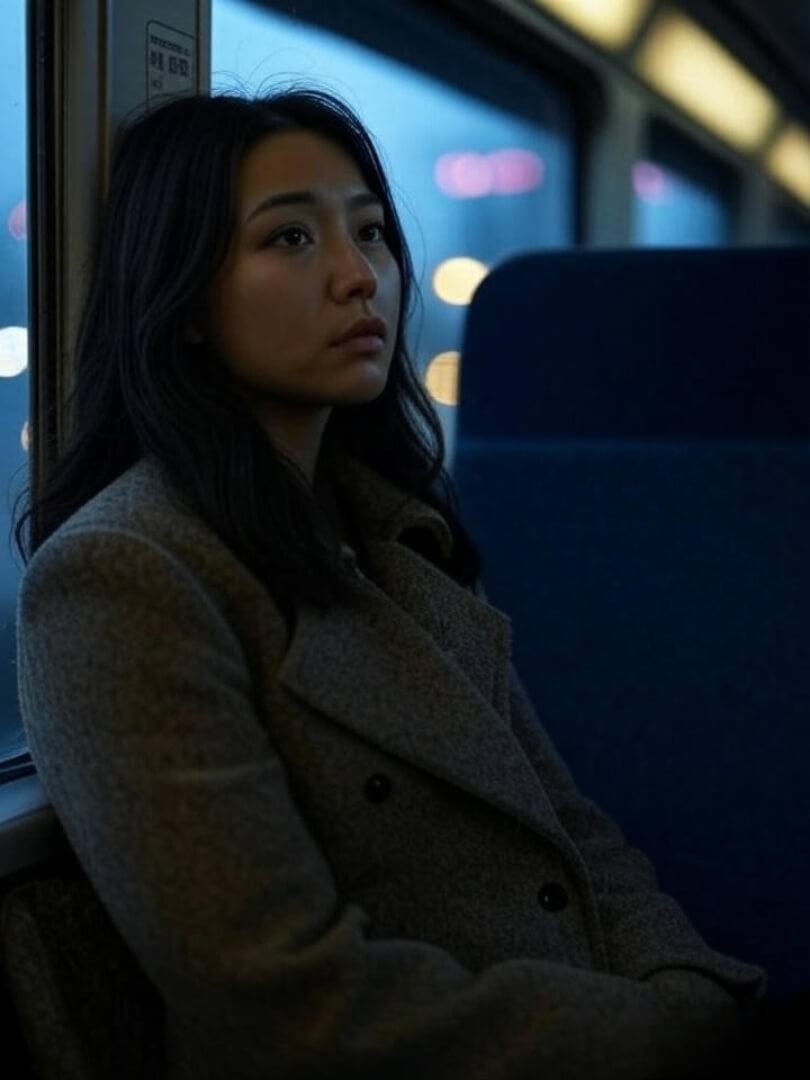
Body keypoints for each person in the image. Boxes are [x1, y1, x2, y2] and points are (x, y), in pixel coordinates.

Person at [13, 87, 768, 1079]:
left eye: (370, 233)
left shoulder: (392, 533)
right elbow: (284, 1003)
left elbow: (573, 833)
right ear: (184, 296)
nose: (358, 276)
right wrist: (655, 1036)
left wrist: (687, 988)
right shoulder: (124, 577)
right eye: (289, 240)